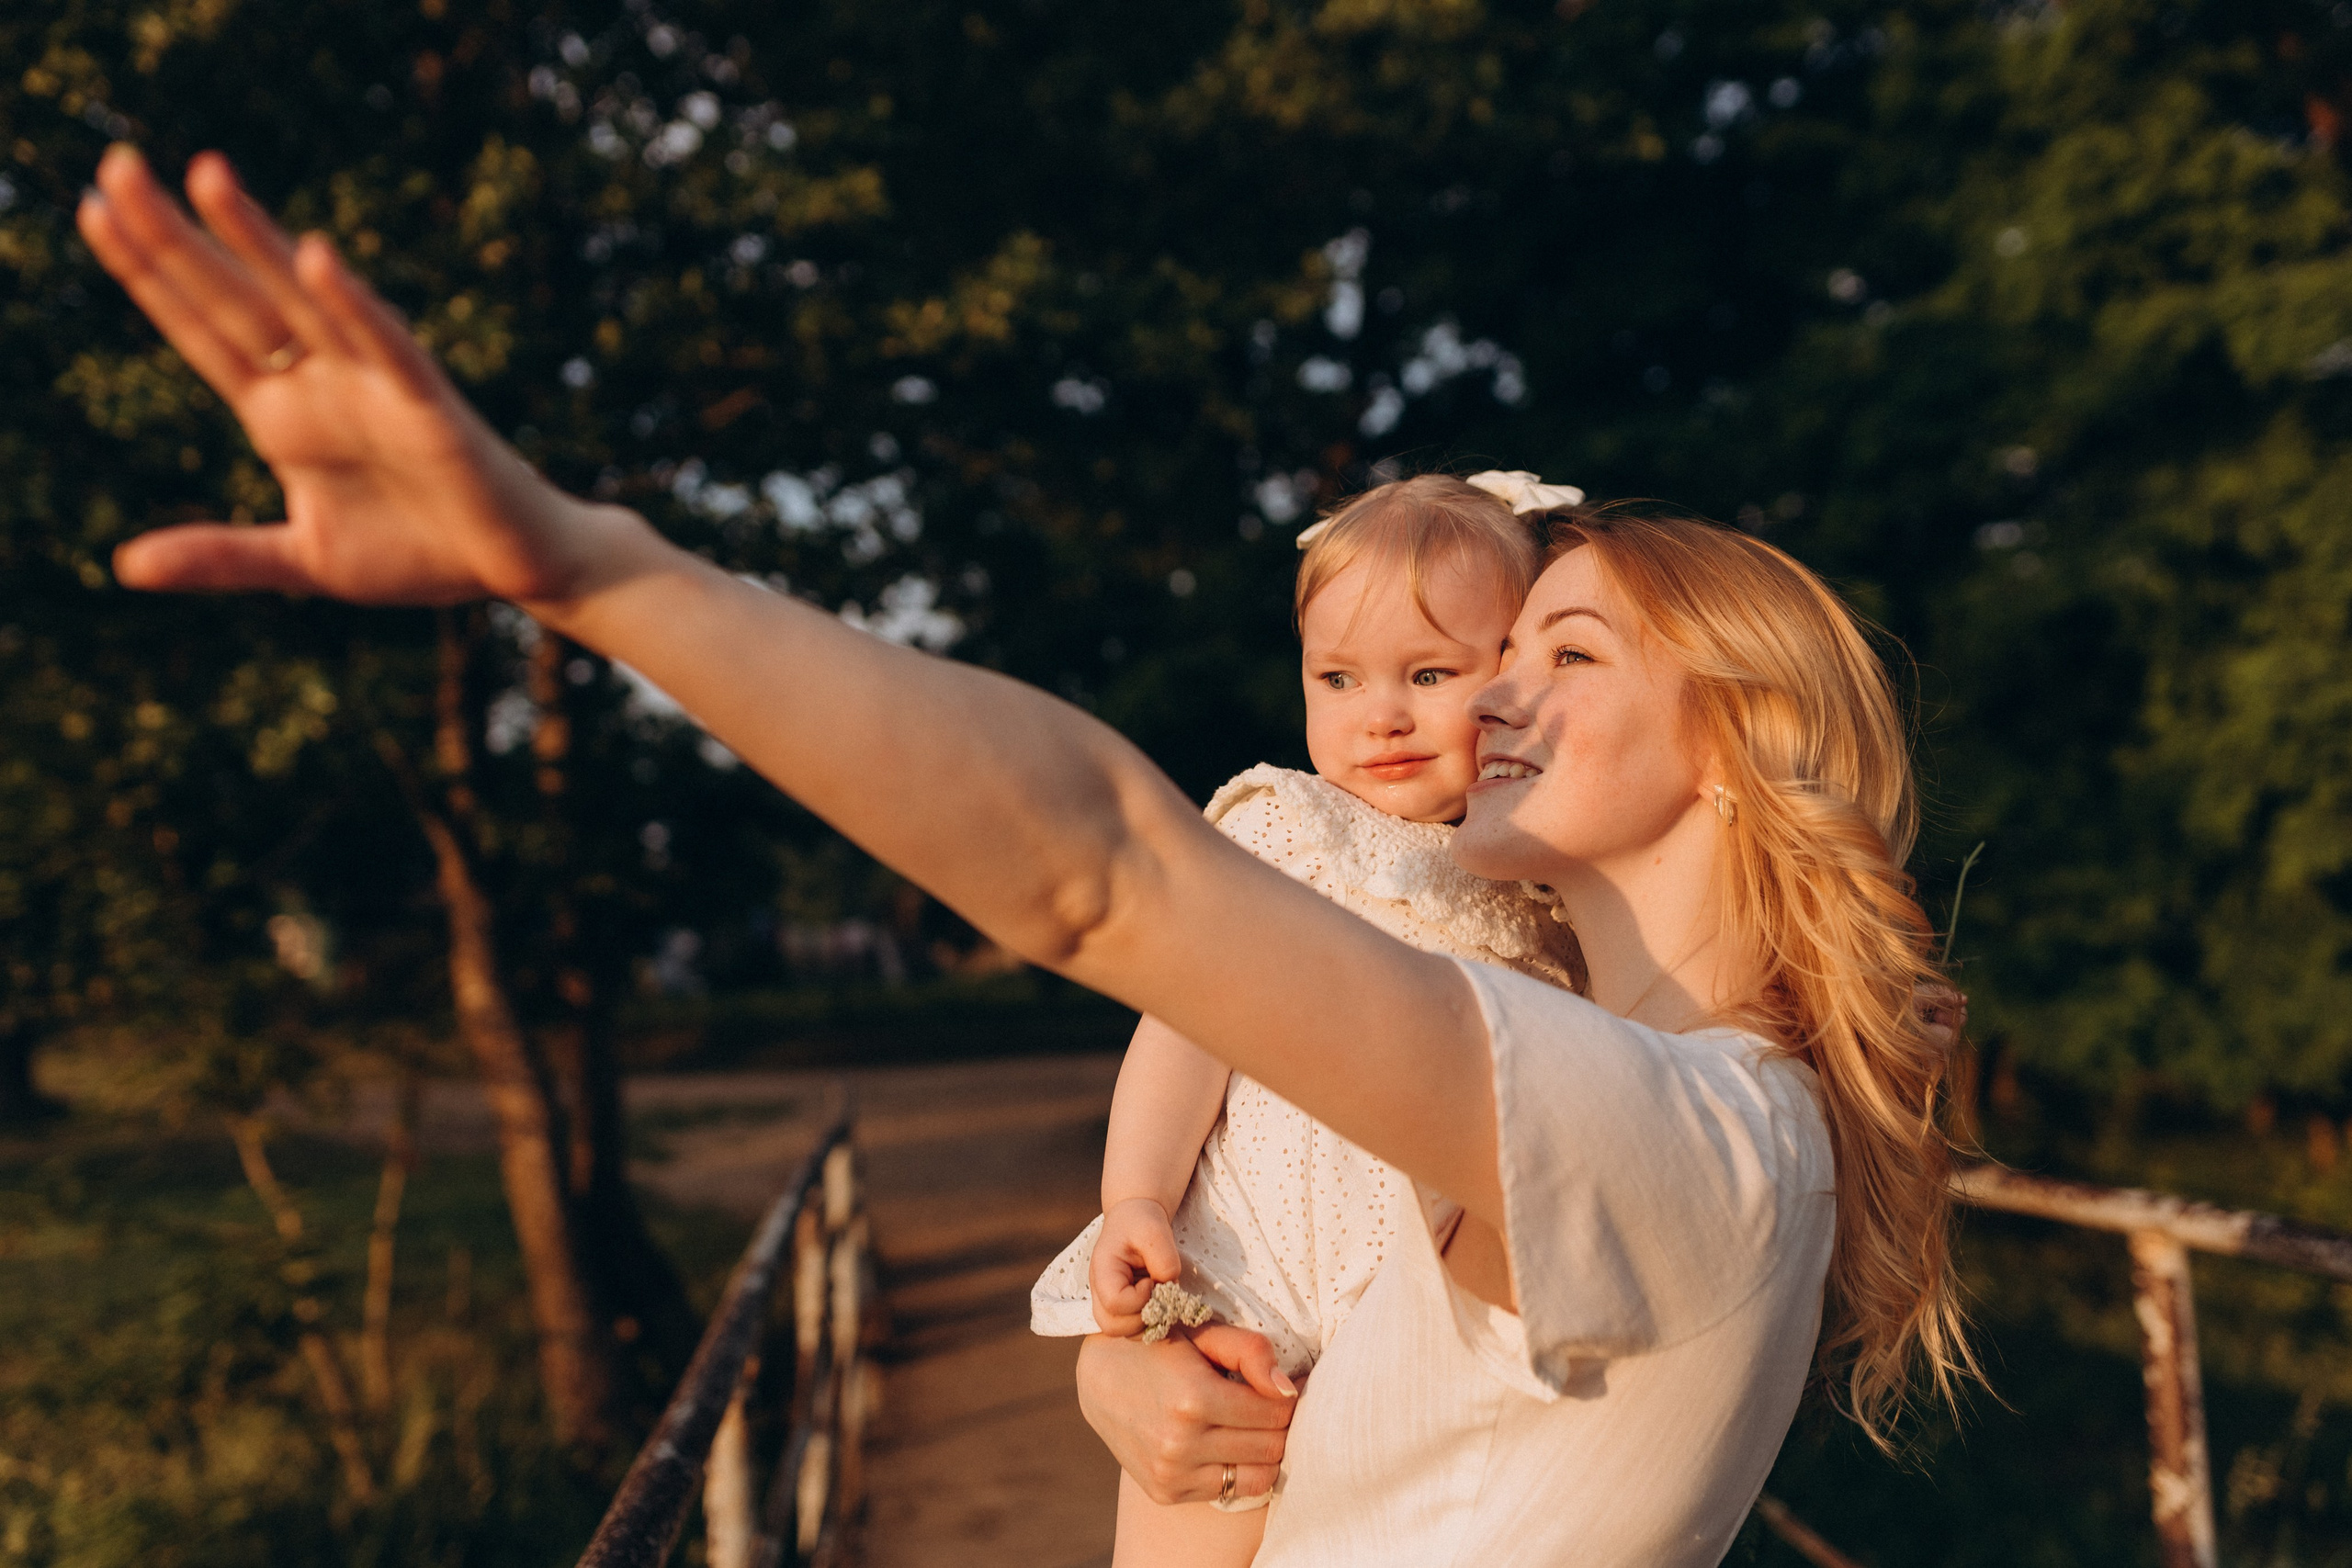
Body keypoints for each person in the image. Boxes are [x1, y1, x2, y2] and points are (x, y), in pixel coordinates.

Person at [75, 145, 1973, 1566]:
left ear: (1743, 740)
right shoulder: (1620, 1087)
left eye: (1563, 654)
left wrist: (590, 566)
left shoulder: (1691, 1124)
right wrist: (1133, 1373)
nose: (1479, 703)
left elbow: (1100, 873)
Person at [1027, 474, 1585, 1563]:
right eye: (1337, 677)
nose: (1377, 715)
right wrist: (1135, 1193)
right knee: (1188, 1527)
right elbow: (1181, 1029)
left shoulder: (1542, 886)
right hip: (1244, 1280)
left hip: (1421, 1330)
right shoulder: (1290, 830)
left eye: (1429, 675)